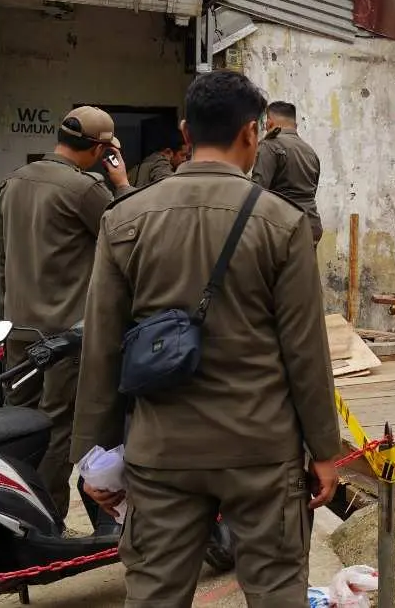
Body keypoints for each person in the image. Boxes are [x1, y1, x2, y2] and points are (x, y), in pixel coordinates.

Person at [73, 71, 341, 607]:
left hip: (162, 449)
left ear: (184, 132)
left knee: (154, 594)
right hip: (261, 449)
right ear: (250, 133)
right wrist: (325, 451)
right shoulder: (282, 223)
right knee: (276, 591)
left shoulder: (125, 219)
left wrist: (93, 456)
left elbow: (101, 347)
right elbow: (305, 350)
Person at [0, 106, 130, 528]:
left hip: (17, 327)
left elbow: (0, 259)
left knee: (15, 426)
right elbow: (130, 237)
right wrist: (122, 184)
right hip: (62, 338)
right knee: (57, 430)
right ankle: (46, 521)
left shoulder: (12, 183)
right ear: (98, 149)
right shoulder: (84, 189)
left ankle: (10, 513)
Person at [252, 101, 323, 247]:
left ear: (269, 124)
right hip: (311, 226)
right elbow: (312, 192)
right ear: (295, 125)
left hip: (283, 229)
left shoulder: (270, 146)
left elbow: (256, 192)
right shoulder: (310, 152)